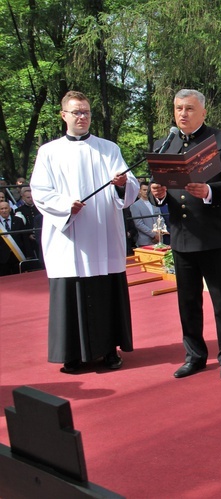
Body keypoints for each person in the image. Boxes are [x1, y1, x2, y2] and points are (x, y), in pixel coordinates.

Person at [30, 90, 139, 373]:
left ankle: (110, 352)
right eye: (76, 112)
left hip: (103, 236)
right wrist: (66, 205)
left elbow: (130, 186)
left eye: (86, 112)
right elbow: (40, 192)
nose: (82, 117)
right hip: (70, 239)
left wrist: (120, 184)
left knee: (106, 294)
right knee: (72, 294)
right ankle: (73, 356)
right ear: (63, 115)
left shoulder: (109, 148)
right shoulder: (48, 152)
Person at [150, 88, 221, 382]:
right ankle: (194, 355)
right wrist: (158, 195)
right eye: (178, 108)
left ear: (203, 112)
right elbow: (163, 193)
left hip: (214, 235)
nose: (183, 114)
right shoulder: (164, 143)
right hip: (181, 236)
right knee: (187, 302)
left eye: (189, 109)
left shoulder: (220, 140)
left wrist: (209, 191)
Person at [0, 200, 27, 276]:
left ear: (10, 209)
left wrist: (28, 254)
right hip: (2, 258)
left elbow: (24, 238)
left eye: (6, 208)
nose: (4, 210)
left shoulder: (18, 220)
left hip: (17, 256)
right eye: (1, 209)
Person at [129, 182, 160, 247]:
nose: (146, 192)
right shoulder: (135, 205)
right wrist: (153, 235)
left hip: (158, 239)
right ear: (140, 191)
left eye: (147, 190)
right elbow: (139, 224)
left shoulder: (155, 202)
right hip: (144, 241)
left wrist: (159, 233)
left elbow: (160, 218)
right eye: (144, 190)